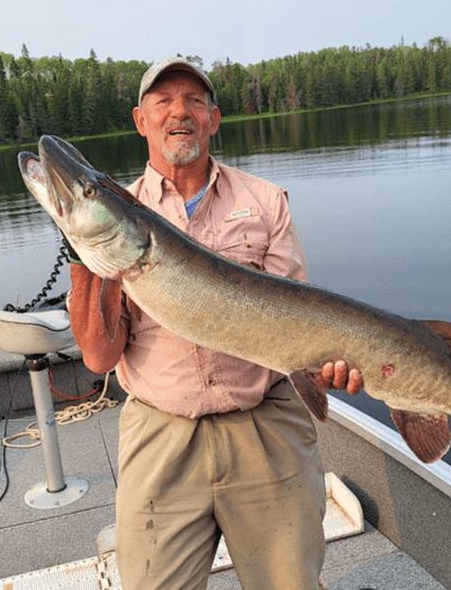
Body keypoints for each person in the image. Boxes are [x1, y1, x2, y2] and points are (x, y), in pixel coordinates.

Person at [67, 57, 363, 590]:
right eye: (163, 101)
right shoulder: (120, 213)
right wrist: (82, 252)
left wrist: (326, 366)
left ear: (214, 118)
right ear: (141, 120)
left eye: (194, 101)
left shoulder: (265, 201)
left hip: (264, 422)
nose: (179, 112)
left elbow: (297, 322)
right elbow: (98, 358)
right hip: (162, 432)